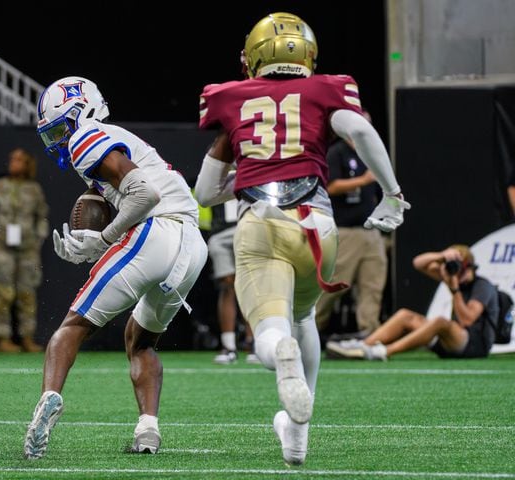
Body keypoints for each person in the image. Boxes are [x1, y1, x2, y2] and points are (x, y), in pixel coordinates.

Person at [193, 12, 410, 466]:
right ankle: (297, 437)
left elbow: (204, 192)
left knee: (271, 331)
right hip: (319, 226)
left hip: (262, 222)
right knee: (304, 315)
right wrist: (391, 194)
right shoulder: (326, 91)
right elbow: (361, 131)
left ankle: (279, 354)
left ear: (254, 56)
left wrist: (250, 170)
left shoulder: (232, 99)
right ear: (307, 54)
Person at [22, 76, 208, 459]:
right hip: (192, 248)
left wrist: (104, 238)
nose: (58, 139)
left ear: (83, 110)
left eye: (60, 127)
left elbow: (145, 194)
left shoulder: (86, 135)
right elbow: (133, 190)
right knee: (140, 340)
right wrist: (96, 240)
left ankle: (47, 400)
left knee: (72, 327)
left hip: (158, 230)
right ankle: (148, 431)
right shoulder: (108, 144)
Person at [326, 244, 498, 361]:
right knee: (405, 315)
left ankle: (383, 351)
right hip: (450, 343)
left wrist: (454, 289)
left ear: (468, 267)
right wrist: (442, 256)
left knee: (440, 321)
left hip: (475, 346)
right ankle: (363, 346)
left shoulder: (482, 286)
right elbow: (418, 263)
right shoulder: (453, 277)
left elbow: (467, 320)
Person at [315, 111, 388, 338]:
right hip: (346, 231)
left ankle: (370, 333)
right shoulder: (337, 153)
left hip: (370, 230)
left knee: (373, 283)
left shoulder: (372, 153)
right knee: (334, 283)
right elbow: (330, 186)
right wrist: (363, 180)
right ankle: (309, 328)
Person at [0, 148, 50, 353]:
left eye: (19, 160)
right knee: (2, 293)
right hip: (2, 249)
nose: (13, 163)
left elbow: (42, 216)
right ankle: (3, 338)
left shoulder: (34, 189)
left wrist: (38, 239)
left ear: (27, 164)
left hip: (28, 250)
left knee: (27, 293)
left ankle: (27, 337)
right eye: (11, 159)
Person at [208, 199, 258, 364]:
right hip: (221, 231)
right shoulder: (214, 173)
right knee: (227, 286)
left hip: (249, 229)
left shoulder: (252, 172)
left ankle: (254, 345)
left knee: (250, 286)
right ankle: (229, 347)